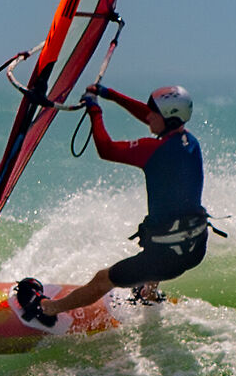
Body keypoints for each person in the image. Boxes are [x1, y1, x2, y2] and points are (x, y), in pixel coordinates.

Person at [15, 84, 211, 330]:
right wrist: (112, 95)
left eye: (153, 113)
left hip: (166, 258)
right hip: (195, 248)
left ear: (168, 118)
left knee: (103, 278)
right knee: (161, 231)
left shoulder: (154, 151)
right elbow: (150, 116)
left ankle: (47, 310)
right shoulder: (189, 142)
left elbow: (105, 149)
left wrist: (95, 111)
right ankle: (148, 295)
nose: (147, 116)